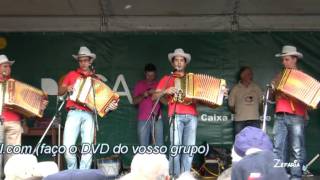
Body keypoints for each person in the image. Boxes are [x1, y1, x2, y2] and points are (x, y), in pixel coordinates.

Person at [58, 46, 118, 170]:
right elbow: (59, 91)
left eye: (86, 60)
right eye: (81, 60)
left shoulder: (95, 78)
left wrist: (112, 105)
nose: (83, 63)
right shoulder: (71, 74)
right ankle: (72, 173)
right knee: (68, 147)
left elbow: (104, 102)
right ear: (78, 61)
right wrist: (66, 88)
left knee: (87, 148)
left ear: (90, 61)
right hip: (73, 112)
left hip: (89, 114)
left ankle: (83, 175)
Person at [153, 48, 197, 177]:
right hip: (176, 115)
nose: (178, 63)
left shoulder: (193, 79)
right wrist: (165, 92)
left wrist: (218, 93)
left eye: (181, 60)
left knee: (189, 149)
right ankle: (174, 176)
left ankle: (185, 176)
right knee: (175, 148)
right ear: (172, 64)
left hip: (192, 115)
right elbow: (154, 97)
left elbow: (202, 97)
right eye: (176, 60)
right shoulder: (167, 78)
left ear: (185, 63)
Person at [0, 55, 48, 162]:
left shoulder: (14, 83)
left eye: (9, 67)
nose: (8, 69)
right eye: (4, 66)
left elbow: (22, 106)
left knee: (13, 158)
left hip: (14, 123)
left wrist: (38, 107)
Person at [271, 45, 307, 180]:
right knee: (277, 148)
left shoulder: (302, 77)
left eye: (286, 59)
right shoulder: (280, 75)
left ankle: (296, 177)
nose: (283, 62)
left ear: (294, 60)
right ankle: (278, 176)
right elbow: (272, 95)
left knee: (296, 149)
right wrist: (274, 90)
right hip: (280, 114)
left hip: (296, 116)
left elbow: (309, 101)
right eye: (283, 60)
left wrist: (290, 94)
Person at [133, 63, 163, 146]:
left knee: (159, 146)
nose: (150, 78)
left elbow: (166, 102)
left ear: (155, 74)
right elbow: (134, 102)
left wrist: (157, 93)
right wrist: (144, 95)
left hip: (157, 119)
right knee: (143, 146)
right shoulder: (139, 84)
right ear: (145, 74)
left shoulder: (159, 84)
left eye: (152, 75)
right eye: (148, 75)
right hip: (143, 119)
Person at [228, 66, 263, 135]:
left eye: (251, 74)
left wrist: (257, 114)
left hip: (254, 120)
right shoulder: (235, 89)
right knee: (240, 142)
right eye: (248, 73)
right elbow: (231, 106)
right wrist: (239, 112)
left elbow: (261, 103)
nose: (251, 75)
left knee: (255, 142)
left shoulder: (257, 88)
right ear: (242, 75)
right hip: (240, 121)